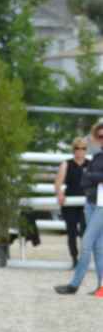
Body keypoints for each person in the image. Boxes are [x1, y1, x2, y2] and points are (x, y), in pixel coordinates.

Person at [54, 119, 103, 296]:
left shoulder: (94, 159)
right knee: (97, 247)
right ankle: (101, 286)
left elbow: (90, 177)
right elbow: (85, 180)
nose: (101, 139)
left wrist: (91, 176)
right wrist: (91, 177)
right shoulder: (97, 157)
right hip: (91, 203)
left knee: (87, 243)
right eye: (99, 136)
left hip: (101, 206)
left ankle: (74, 285)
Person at [53, 137, 89, 266]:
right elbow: (58, 183)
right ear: (73, 150)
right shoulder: (66, 164)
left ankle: (85, 259)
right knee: (71, 231)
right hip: (70, 202)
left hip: (87, 203)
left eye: (83, 148)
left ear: (86, 150)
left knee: (86, 232)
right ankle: (74, 259)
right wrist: (60, 194)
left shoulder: (90, 164)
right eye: (77, 148)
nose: (80, 151)